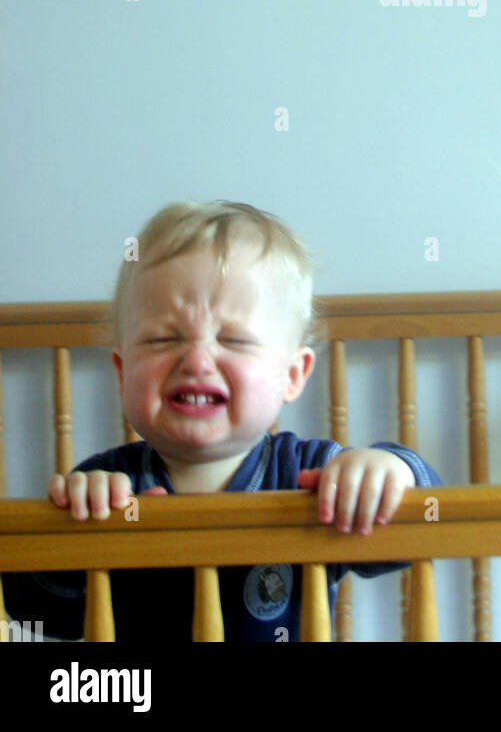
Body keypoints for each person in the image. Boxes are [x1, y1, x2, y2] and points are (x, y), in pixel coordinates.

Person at [2, 200, 441, 641]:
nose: (196, 360)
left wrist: (391, 471)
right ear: (121, 372)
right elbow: (28, 609)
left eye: (232, 339)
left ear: (292, 376)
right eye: (162, 338)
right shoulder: (108, 488)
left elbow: (430, 520)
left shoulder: (314, 476)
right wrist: (70, 535)